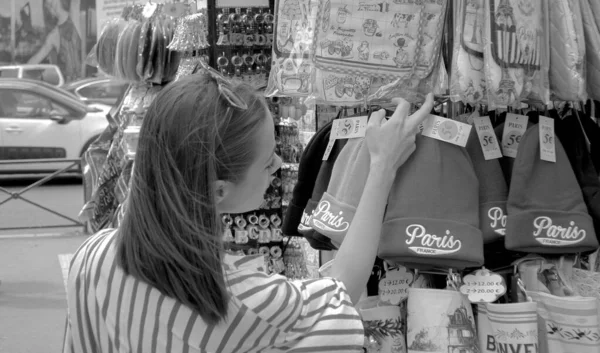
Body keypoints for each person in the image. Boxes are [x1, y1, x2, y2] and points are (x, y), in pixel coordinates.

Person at [64, 69, 433, 352]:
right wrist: (382, 166)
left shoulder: (92, 255)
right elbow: (343, 290)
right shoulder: (235, 300)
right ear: (219, 190)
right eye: (266, 162)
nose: (277, 166)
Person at [28, 0, 82, 82]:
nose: (48, 10)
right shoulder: (76, 19)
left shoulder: (54, 35)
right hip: (81, 82)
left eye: (48, 6)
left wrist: (18, 70)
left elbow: (36, 59)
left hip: (69, 85)